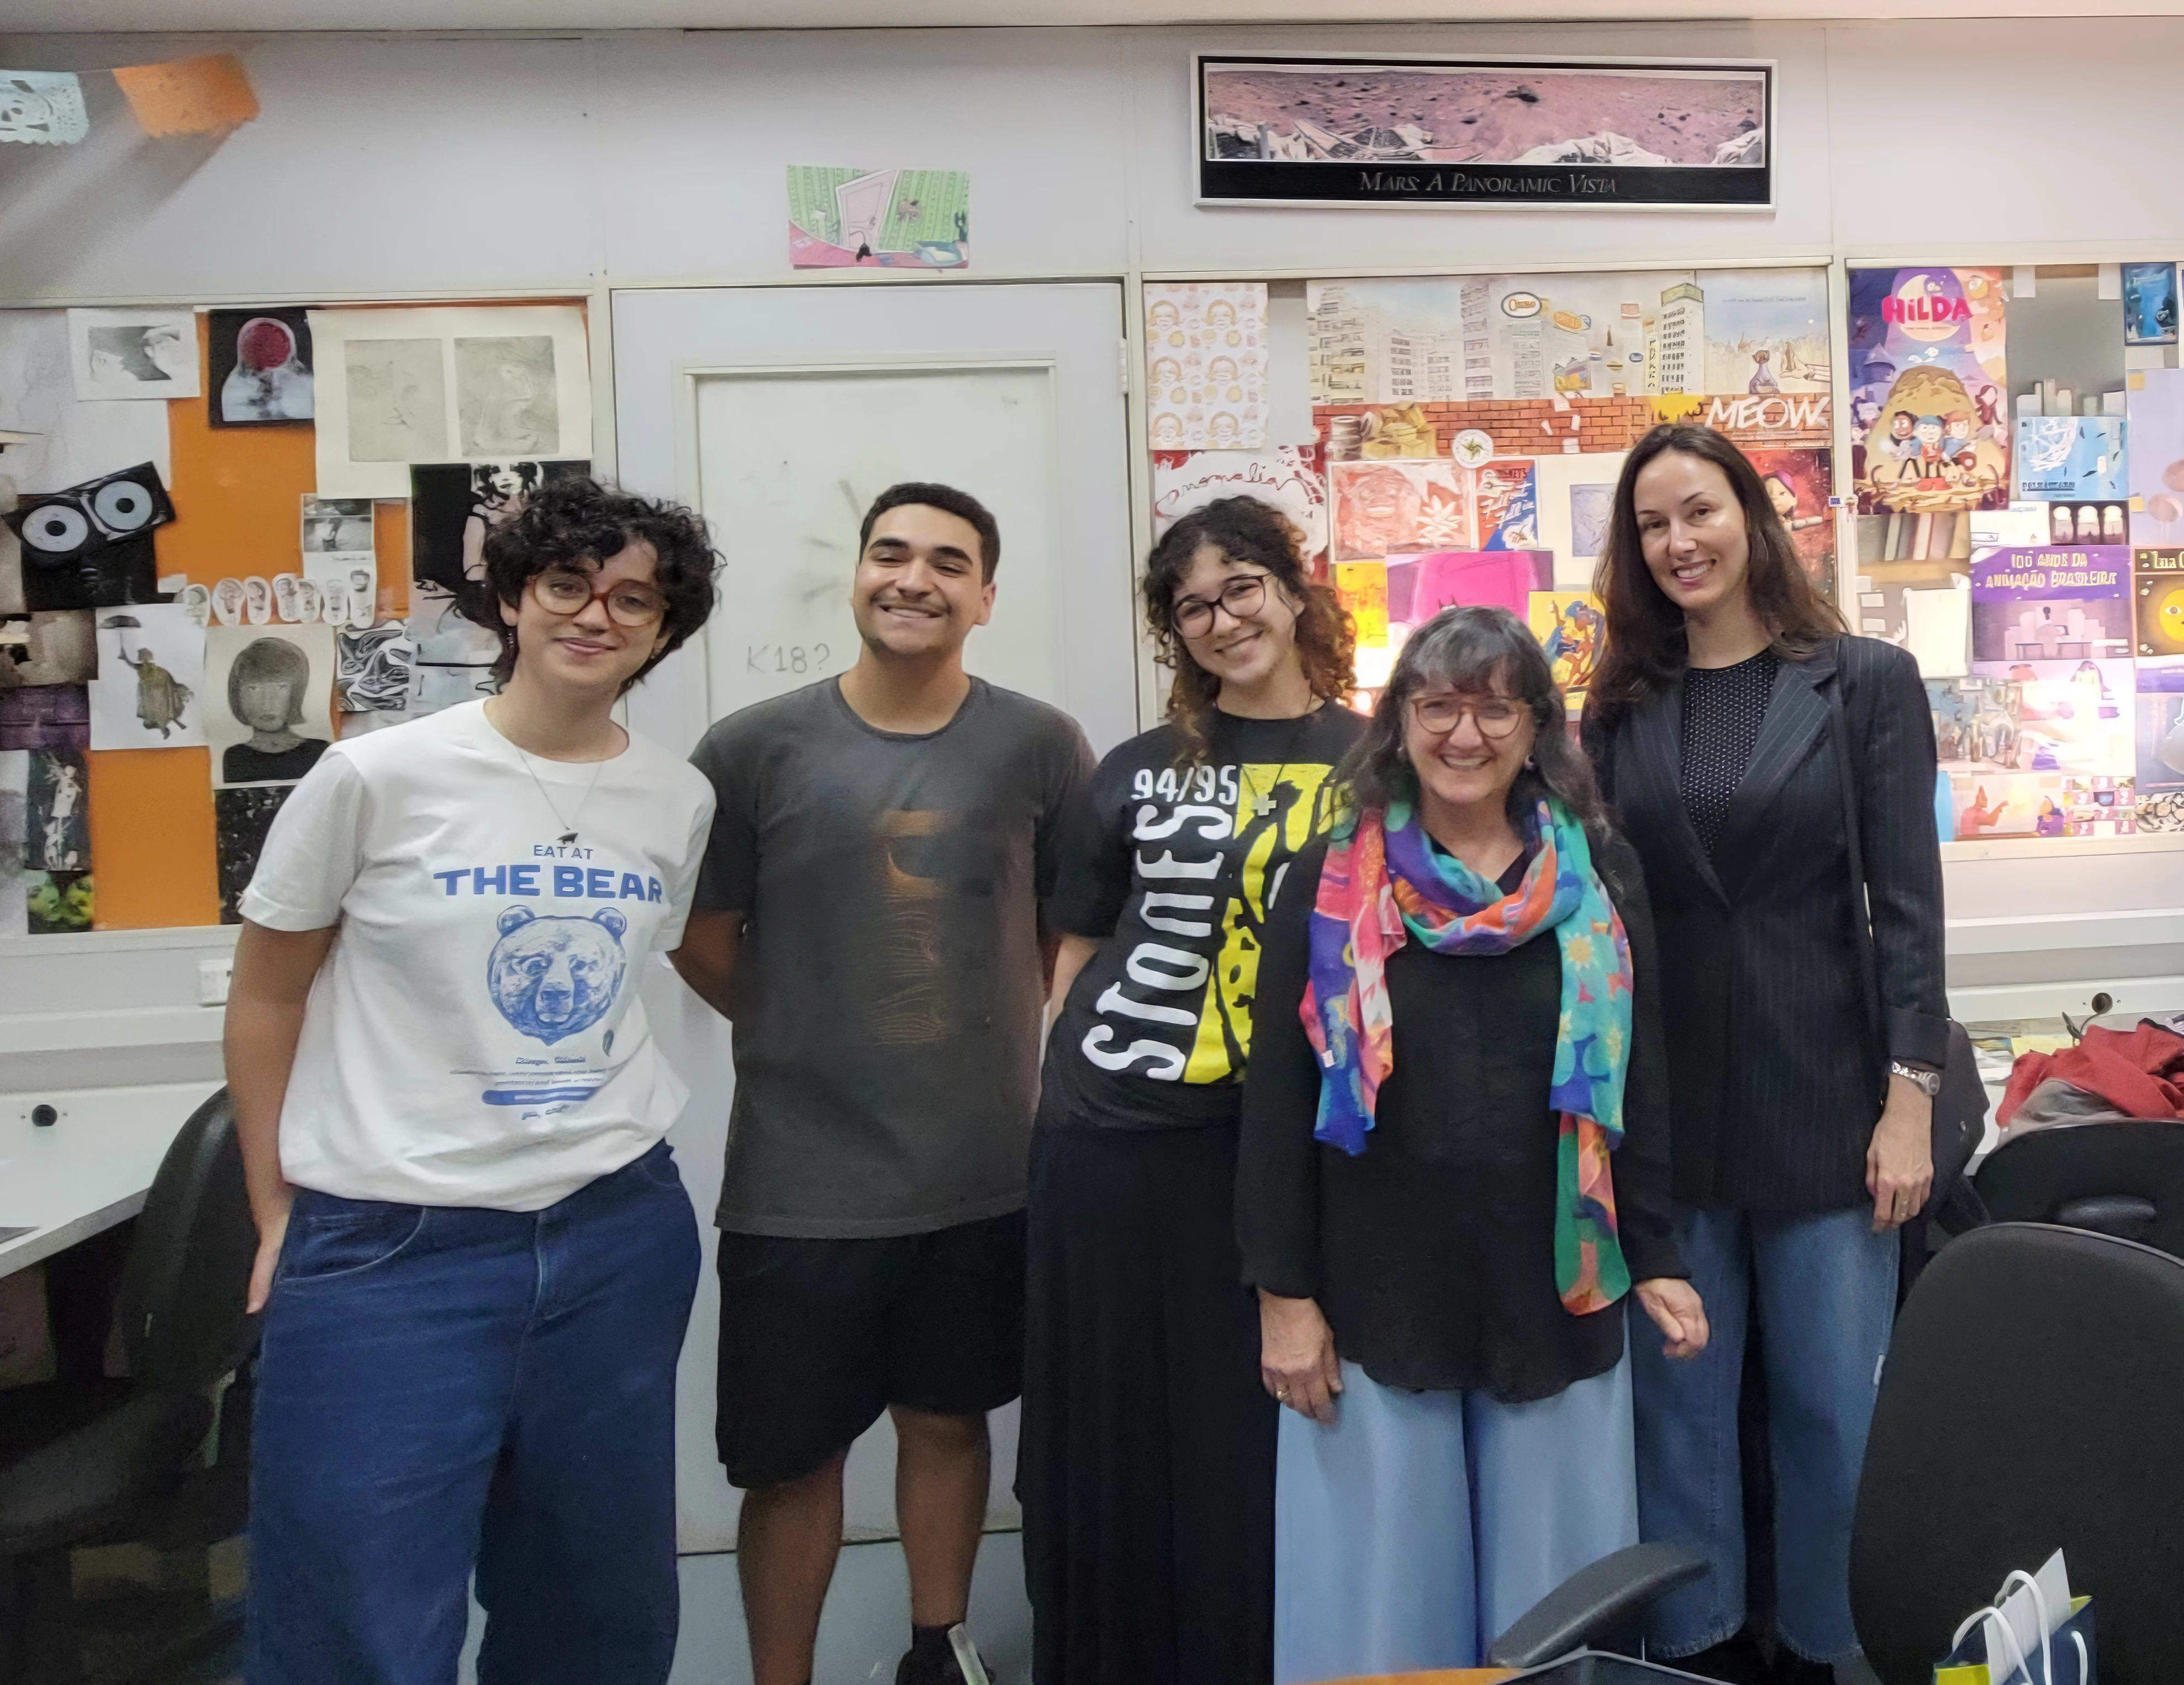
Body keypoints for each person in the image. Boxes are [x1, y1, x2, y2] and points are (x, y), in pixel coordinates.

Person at [228, 476, 722, 1685]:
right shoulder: (374, 775)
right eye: (566, 584)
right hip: (393, 1251)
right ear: (512, 599)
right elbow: (268, 994)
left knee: (596, 1618)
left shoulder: (677, 797)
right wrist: (276, 1210)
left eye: (634, 599)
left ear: (663, 630)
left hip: (613, 1233)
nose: (595, 614)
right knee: (361, 1626)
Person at [673, 482, 1093, 1685]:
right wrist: (808, 1023)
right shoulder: (751, 748)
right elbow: (700, 937)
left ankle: (935, 1650)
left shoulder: (1039, 745)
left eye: (947, 562)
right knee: (789, 1460)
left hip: (979, 1174)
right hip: (800, 1186)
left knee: (949, 1420)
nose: (914, 578)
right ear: (855, 575)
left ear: (985, 597)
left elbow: (1060, 930)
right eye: (890, 553)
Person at [1236, 605, 1702, 1682]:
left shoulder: (1598, 874)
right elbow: (1276, 1101)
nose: (1464, 733)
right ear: (1398, 721)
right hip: (1375, 1292)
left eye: (1495, 708)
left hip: (1556, 1283)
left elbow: (1640, 1078)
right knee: (1381, 1612)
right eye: (1438, 705)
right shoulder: (1329, 881)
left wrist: (1656, 1254)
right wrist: (1282, 1295)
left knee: (1556, 1613)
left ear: (1536, 726)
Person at [1582, 423, 1948, 1685]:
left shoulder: (1862, 681)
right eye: (1649, 525)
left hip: (1825, 1105)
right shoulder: (1618, 703)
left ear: (1750, 514)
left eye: (1697, 511)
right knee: (1677, 1410)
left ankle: (1830, 1644)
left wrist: (1908, 1101)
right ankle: (1690, 1647)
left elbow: (1906, 909)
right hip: (1666, 1111)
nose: (1676, 542)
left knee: (1830, 1408)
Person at [1020, 496, 1363, 1685]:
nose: (1221, 620)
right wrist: (1054, 1096)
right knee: (1111, 1436)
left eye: (1240, 589)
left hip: (1280, 1153)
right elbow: (1075, 949)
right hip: (1109, 1145)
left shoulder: (1373, 762)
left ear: (1294, 591)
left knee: (1255, 1440)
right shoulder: (1135, 769)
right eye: (1191, 607)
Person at [220, 636, 329, 785]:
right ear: (238, 695)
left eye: (280, 687)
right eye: (254, 689)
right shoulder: (235, 757)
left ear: (296, 692)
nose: (267, 704)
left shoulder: (320, 752)